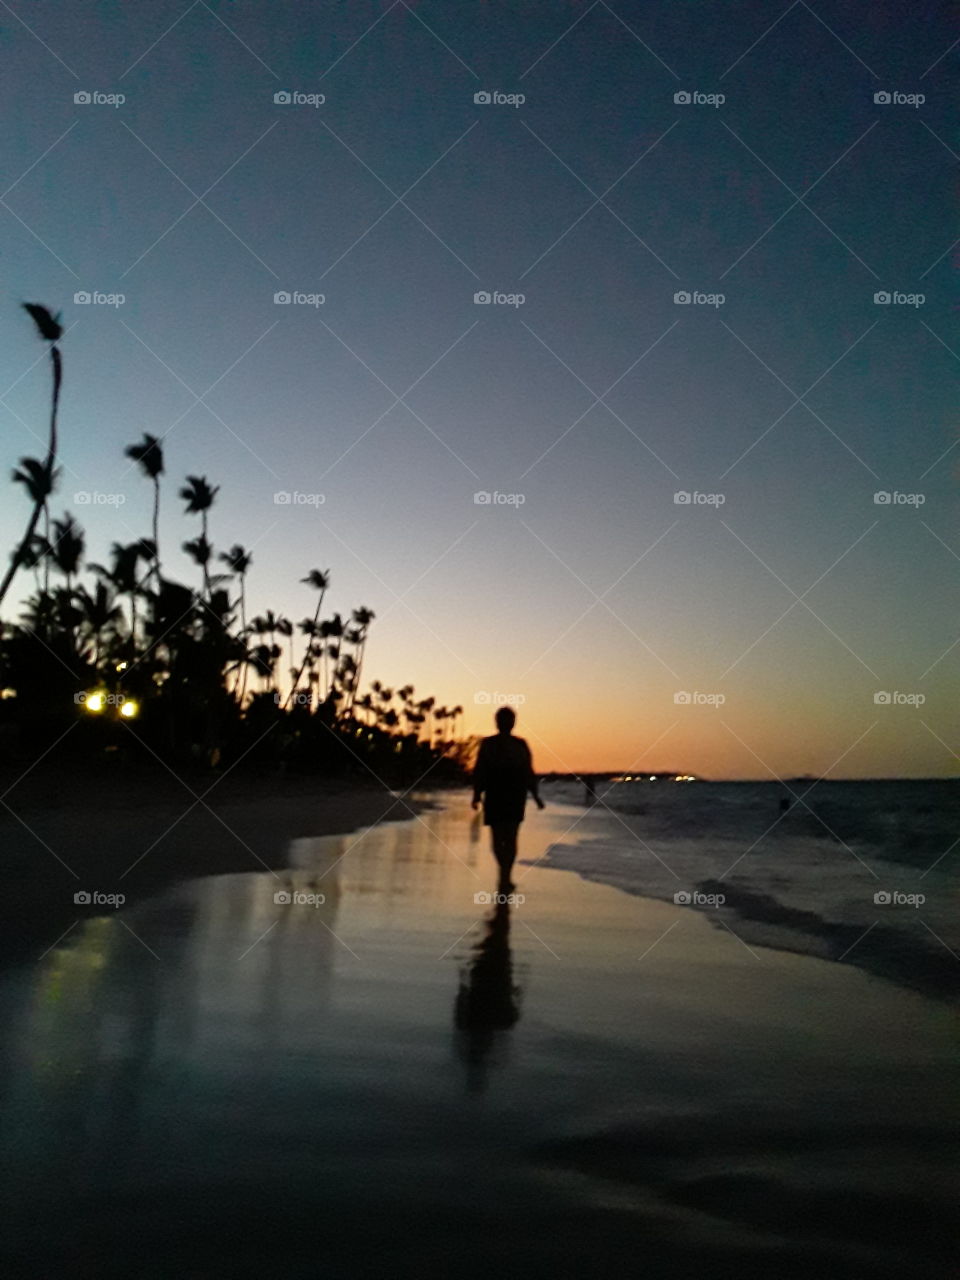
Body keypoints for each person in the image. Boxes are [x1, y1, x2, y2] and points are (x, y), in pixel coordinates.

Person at [471, 706, 544, 889]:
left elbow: (528, 772)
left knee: (510, 837)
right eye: (503, 720)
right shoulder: (488, 744)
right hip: (495, 795)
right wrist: (476, 794)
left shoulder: (520, 744)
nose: (506, 723)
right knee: (498, 839)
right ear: (497, 722)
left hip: (515, 795)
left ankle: (505, 876)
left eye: (509, 720)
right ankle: (504, 873)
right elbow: (480, 769)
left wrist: (536, 796)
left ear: (513, 723)